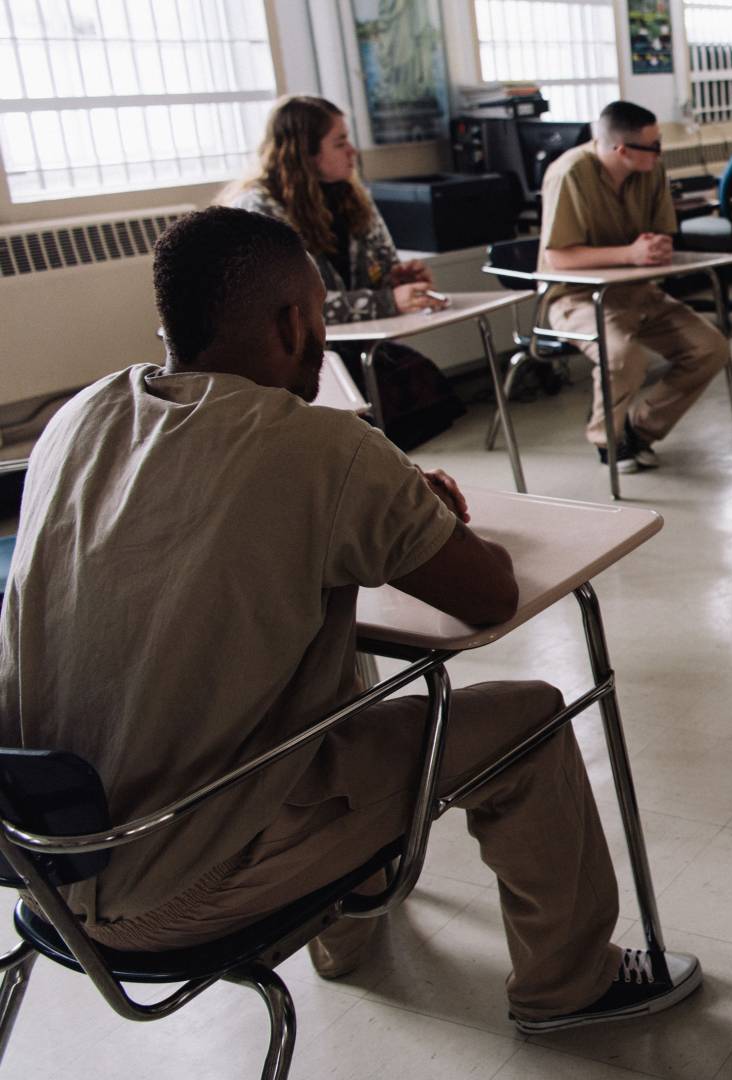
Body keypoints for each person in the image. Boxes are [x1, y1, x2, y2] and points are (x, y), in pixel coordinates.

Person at [0, 207, 696, 1034]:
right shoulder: (322, 449)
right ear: (295, 321)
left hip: (43, 860)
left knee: (324, 672)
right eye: (319, 315)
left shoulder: (80, 417)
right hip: (180, 882)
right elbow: (488, 597)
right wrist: (409, 510)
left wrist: (384, 507)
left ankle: (347, 939)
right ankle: (570, 983)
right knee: (532, 720)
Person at [220, 95, 463, 450]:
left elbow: (379, 270)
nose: (353, 151)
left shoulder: (351, 196)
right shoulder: (258, 210)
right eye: (340, 142)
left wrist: (398, 281)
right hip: (292, 357)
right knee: (380, 398)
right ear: (304, 151)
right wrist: (386, 301)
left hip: (352, 343)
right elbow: (293, 310)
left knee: (420, 385)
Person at [539, 100, 731, 472]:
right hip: (577, 298)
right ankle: (606, 439)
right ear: (621, 150)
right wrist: (630, 253)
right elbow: (559, 258)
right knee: (623, 357)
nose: (660, 153)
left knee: (710, 347)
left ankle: (639, 429)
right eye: (654, 146)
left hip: (640, 292)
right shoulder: (569, 174)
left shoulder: (651, 171)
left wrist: (657, 248)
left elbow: (661, 232)